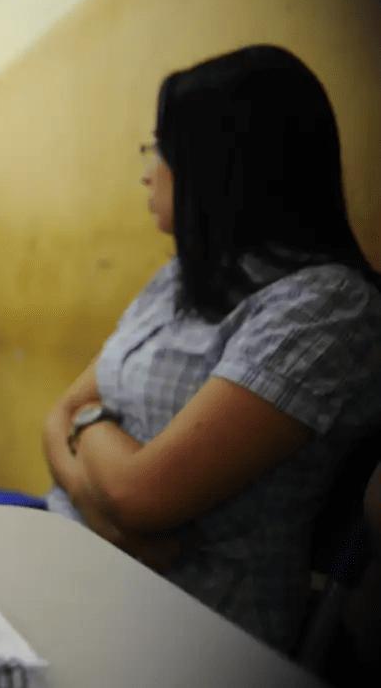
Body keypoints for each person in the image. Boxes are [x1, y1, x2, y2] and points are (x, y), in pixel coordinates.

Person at [41, 44, 381, 652]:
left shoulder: (326, 309)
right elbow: (54, 419)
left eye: (161, 151)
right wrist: (109, 521)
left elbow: (140, 495)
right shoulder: (183, 277)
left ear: (221, 161)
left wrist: (89, 430)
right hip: (85, 557)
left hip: (192, 627)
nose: (148, 172)